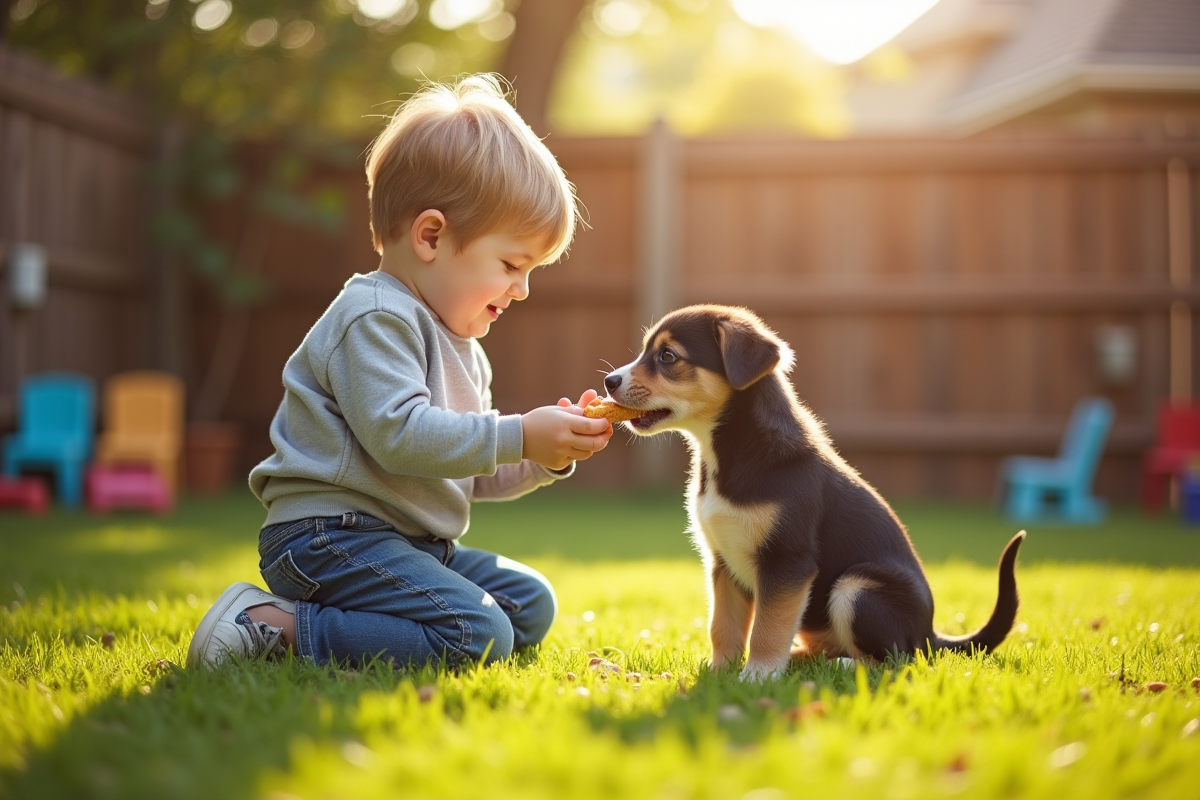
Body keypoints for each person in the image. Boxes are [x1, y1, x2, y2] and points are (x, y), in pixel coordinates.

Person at [187, 74, 613, 670]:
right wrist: (518, 431)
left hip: (407, 544)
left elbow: (465, 472)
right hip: (327, 540)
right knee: (481, 633)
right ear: (432, 236)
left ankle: (337, 624)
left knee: (528, 604)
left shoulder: (462, 343)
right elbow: (402, 438)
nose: (522, 289)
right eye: (513, 264)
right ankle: (270, 626)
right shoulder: (376, 317)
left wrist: (546, 452)